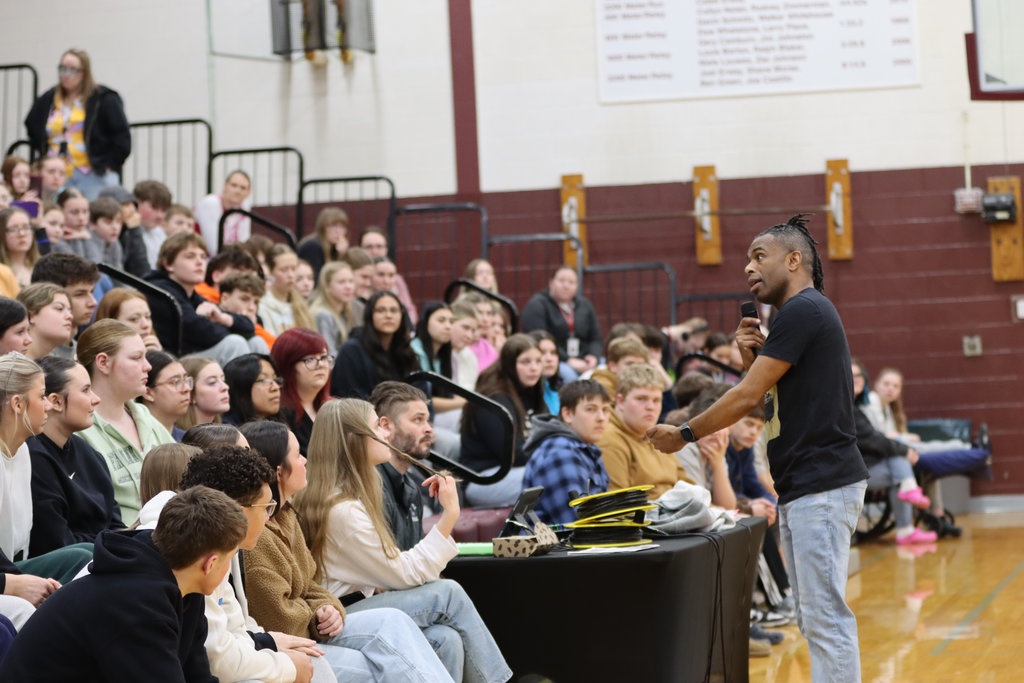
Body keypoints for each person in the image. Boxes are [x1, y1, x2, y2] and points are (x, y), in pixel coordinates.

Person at [647, 215, 869, 683]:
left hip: (822, 485)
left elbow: (747, 397)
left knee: (825, 620)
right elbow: (770, 408)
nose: (748, 267)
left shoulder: (803, 309)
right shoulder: (800, 315)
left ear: (794, 260)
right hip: (807, 486)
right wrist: (751, 362)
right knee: (815, 619)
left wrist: (683, 432)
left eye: (758, 256)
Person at [295, 399, 513, 683]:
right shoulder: (342, 509)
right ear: (353, 441)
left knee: (444, 638)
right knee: (449, 593)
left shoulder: (346, 496)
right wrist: (450, 515)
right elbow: (403, 574)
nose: (386, 433)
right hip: (338, 615)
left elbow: (396, 571)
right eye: (377, 426)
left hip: (353, 607)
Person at [239, 420, 458, 683]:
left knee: (434, 634)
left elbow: (311, 585)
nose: (305, 460)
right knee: (444, 597)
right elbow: (281, 621)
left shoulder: (286, 515)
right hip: (293, 641)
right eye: (297, 455)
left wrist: (326, 606)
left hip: (319, 624)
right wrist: (450, 515)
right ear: (279, 472)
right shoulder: (261, 535)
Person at [0, 486, 246, 682]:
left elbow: (197, 675)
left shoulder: (185, 588)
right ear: (210, 563)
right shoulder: (136, 602)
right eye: (231, 555)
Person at [77, 319, 176, 525]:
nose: (147, 366)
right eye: (136, 358)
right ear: (103, 362)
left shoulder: (144, 414)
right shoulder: (79, 430)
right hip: (124, 546)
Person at [27, 356, 124, 556]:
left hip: (104, 558)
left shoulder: (88, 452)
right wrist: (110, 542)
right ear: (56, 401)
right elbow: (58, 544)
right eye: (86, 390)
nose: (96, 399)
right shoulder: (33, 458)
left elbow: (116, 524)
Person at [24, 48, 131, 199]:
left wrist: (109, 164)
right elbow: (32, 125)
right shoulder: (48, 98)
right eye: (63, 68)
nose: (66, 74)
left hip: (93, 171)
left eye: (73, 70)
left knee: (96, 213)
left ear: (84, 73)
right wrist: (42, 155)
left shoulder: (103, 98)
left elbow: (121, 136)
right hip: (57, 172)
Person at [851, 359, 937, 545]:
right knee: (900, 456)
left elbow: (876, 440)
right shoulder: (851, 408)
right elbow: (874, 440)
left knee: (900, 461)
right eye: (852, 375)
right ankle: (909, 491)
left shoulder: (858, 406)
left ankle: (906, 527)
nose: (856, 379)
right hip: (849, 473)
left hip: (865, 466)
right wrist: (903, 449)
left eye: (859, 375)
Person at [145, 232, 264, 364]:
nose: (199, 262)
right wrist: (220, 323)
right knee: (234, 344)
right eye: (190, 257)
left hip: (193, 356)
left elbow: (250, 327)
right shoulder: (159, 291)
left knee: (256, 342)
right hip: (172, 361)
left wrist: (225, 319)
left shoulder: (193, 295)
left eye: (203, 257)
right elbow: (202, 332)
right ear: (168, 264)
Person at [460, 333, 548, 508]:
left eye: (538, 361)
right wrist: (550, 455)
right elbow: (513, 454)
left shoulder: (531, 389)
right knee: (551, 475)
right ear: (509, 364)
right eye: (525, 362)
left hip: (513, 472)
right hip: (485, 478)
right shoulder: (493, 399)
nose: (534, 368)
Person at [521, 379, 612, 525]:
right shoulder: (560, 452)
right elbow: (575, 524)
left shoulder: (585, 448)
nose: (601, 418)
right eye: (591, 409)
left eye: (605, 410)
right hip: (556, 546)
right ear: (567, 414)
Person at [598, 363, 693, 500]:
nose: (650, 407)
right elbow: (619, 506)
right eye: (641, 399)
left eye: (656, 400)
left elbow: (689, 488)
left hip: (676, 513)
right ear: (620, 401)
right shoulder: (608, 439)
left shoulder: (659, 435)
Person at [368, 382, 435, 550]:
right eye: (418, 420)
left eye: (428, 420)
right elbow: (390, 568)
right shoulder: (369, 486)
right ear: (386, 426)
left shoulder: (411, 487)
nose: (428, 430)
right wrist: (450, 515)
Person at [331, 290, 419, 400]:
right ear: (370, 315)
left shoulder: (405, 349)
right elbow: (350, 397)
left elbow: (420, 390)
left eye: (394, 310)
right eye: (381, 310)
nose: (388, 315)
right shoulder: (351, 350)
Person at [521, 265, 602, 379]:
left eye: (571, 282)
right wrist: (568, 359)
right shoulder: (537, 305)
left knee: (604, 372)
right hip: (556, 359)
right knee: (569, 376)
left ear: (577, 286)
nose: (566, 285)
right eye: (561, 281)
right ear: (551, 283)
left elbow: (595, 337)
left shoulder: (585, 305)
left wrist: (593, 356)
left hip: (584, 358)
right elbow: (538, 339)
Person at [271, 328, 333, 454]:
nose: (321, 364)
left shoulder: (333, 407)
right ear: (287, 366)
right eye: (309, 359)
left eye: (324, 357)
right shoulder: (279, 416)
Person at [30, 251, 101, 358]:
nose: (93, 302)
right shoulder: (26, 357)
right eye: (80, 294)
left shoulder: (85, 355)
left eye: (91, 292)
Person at [258, 244, 316, 337]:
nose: (291, 275)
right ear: (270, 271)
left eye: (294, 269)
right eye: (284, 270)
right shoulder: (263, 306)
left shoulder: (300, 304)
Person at [359, 227, 417, 321]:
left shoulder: (397, 279)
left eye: (379, 246)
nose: (375, 252)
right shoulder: (353, 277)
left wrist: (408, 328)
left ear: (386, 249)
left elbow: (408, 308)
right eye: (369, 247)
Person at [310, 261, 361, 356]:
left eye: (351, 281)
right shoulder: (323, 315)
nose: (348, 287)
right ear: (327, 286)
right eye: (342, 282)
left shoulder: (344, 313)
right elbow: (329, 355)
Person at [194, 170, 252, 254]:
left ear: (248, 192)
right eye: (233, 185)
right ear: (225, 186)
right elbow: (214, 248)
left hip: (231, 258)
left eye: (243, 188)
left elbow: (244, 240)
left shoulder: (244, 206)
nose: (237, 191)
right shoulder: (210, 203)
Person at [140, 350, 193, 441]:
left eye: (186, 380)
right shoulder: (138, 440)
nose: (187, 388)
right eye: (175, 382)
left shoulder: (188, 440)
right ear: (147, 392)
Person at [219, 271, 277, 351]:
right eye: (244, 299)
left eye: (256, 302)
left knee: (257, 342)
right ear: (225, 299)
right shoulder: (213, 316)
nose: (252, 308)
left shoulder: (258, 321)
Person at [17, 282, 74, 360]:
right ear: (31, 316)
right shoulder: (9, 366)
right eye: (59, 308)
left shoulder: (61, 367)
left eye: (70, 311)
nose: (70, 316)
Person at [223, 353, 283, 425]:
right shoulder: (230, 433)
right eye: (263, 380)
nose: (275, 387)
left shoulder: (281, 424)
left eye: (275, 379)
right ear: (241, 388)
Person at [95, 287, 162, 350]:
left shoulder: (155, 348)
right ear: (110, 324)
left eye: (147, 317)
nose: (146, 325)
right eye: (134, 319)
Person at [177, 356, 230, 431]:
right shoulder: (174, 438)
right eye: (212, 382)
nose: (225, 387)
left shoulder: (231, 432)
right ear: (190, 393)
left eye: (223, 380)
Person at [298, 206, 349, 281]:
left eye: (342, 226)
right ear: (323, 228)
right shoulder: (313, 246)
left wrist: (342, 254)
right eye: (333, 226)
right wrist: (340, 257)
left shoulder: (334, 248)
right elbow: (320, 280)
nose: (338, 231)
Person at [131, 179, 173, 269]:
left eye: (164, 210)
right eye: (155, 208)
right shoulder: (127, 233)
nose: (160, 216)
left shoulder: (159, 232)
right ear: (137, 203)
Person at [0, 206, 39, 290]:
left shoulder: (40, 267)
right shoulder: (2, 272)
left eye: (26, 227)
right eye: (13, 228)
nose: (22, 234)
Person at [528, 329, 562, 414]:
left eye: (553, 352)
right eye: (542, 352)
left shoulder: (557, 390)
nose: (549, 359)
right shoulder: (526, 396)